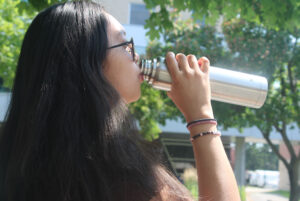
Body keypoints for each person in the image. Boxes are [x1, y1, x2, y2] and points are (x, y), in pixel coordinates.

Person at [0, 1, 240, 200]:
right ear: (86, 64)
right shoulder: (115, 174)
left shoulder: (26, 162)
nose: (136, 56)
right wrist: (200, 115)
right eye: (125, 45)